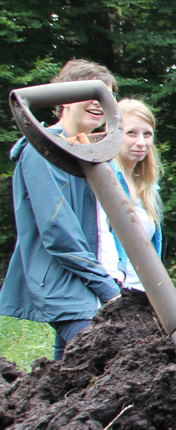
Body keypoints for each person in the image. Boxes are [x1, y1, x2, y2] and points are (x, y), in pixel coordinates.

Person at [1, 60, 123, 358]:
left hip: (99, 281)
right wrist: (106, 288)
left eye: (105, 96)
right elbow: (58, 230)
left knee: (69, 380)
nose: (98, 102)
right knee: (106, 361)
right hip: (71, 286)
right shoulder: (43, 151)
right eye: (90, 93)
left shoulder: (93, 152)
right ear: (63, 99)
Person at [96, 99, 165, 289]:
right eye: (131, 133)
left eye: (147, 134)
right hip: (111, 294)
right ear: (112, 134)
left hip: (145, 296)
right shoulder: (101, 182)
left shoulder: (149, 191)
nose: (141, 142)